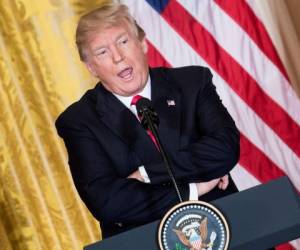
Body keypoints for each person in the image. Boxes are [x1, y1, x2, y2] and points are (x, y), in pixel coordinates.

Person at [55, 3, 240, 238]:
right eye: (102, 52)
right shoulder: (79, 121)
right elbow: (108, 201)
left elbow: (225, 150)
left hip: (226, 228)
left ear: (142, 44)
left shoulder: (192, 83)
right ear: (91, 67)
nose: (117, 57)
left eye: (123, 42)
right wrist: (195, 188)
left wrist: (146, 174)